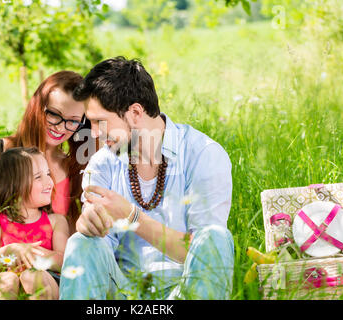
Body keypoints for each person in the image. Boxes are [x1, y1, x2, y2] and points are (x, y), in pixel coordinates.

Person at [59, 57, 235, 300]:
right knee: (81, 242)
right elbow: (98, 249)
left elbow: (206, 252)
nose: (95, 132)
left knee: (216, 238)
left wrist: (132, 217)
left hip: (186, 291)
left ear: (135, 112)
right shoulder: (102, 162)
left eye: (100, 121)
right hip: (123, 294)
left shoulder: (203, 154)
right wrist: (88, 226)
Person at [0, 71, 94, 287]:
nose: (60, 127)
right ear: (38, 107)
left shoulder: (73, 168)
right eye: (54, 114)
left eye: (73, 121)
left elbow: (71, 245)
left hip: (44, 280)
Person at [0, 147, 68, 299]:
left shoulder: (56, 221)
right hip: (6, 281)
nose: (49, 182)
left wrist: (35, 255)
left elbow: (66, 261)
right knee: (5, 280)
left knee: (32, 277)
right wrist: (9, 251)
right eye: (38, 177)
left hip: (47, 281)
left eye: (48, 174)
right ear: (14, 185)